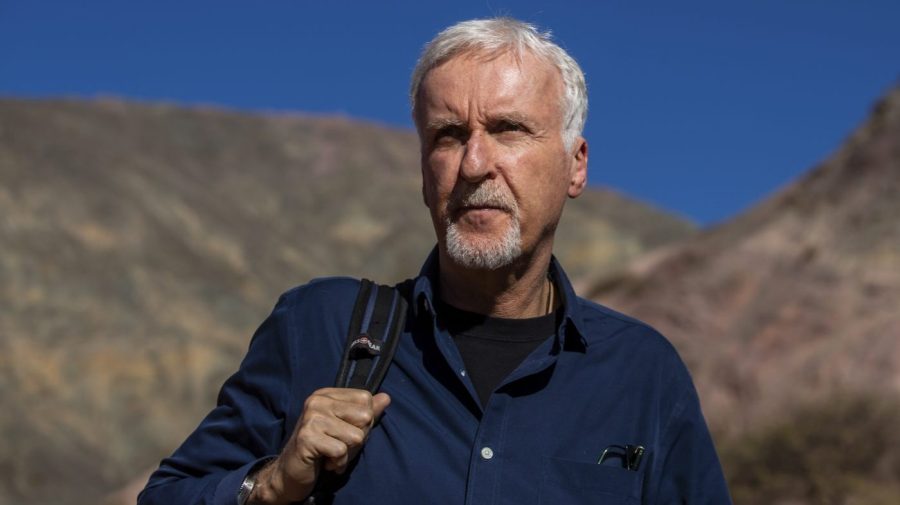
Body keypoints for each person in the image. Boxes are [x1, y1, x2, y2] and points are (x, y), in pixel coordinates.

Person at [138, 18, 732, 505]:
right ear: (424, 171)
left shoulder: (641, 374)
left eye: (508, 130)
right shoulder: (320, 329)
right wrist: (269, 485)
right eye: (447, 136)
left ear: (575, 164)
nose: (474, 164)